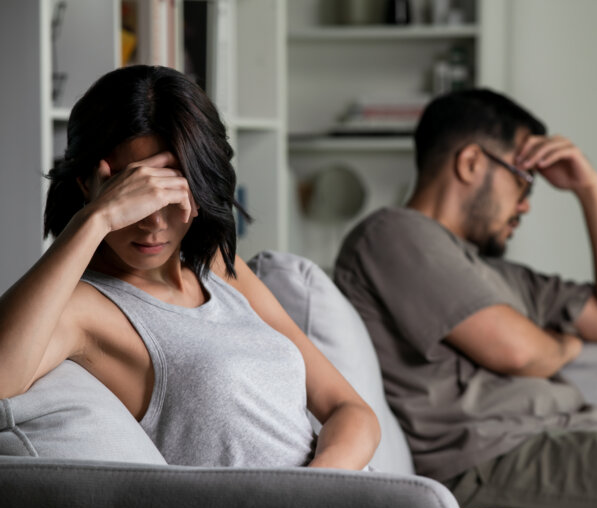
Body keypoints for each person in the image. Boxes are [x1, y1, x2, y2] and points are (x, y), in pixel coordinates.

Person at [334, 88, 597, 508]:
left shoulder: (498, 274)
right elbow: (517, 352)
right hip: (502, 458)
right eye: (524, 181)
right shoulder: (392, 233)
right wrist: (566, 345)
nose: (526, 205)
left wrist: (590, 189)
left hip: (575, 436)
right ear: (470, 163)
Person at [0, 65, 380, 471]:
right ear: (86, 184)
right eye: (135, 191)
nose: (154, 223)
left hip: (349, 492)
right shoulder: (85, 307)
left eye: (174, 190)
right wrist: (95, 220)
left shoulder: (216, 265)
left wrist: (319, 490)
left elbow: (350, 410)